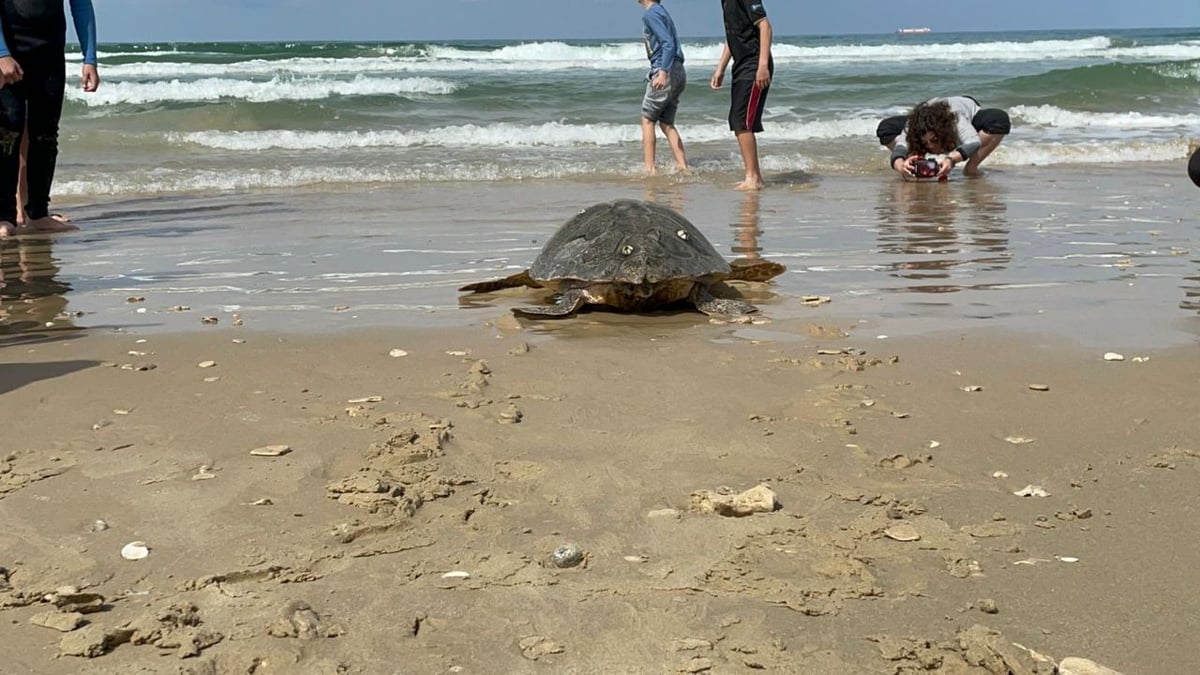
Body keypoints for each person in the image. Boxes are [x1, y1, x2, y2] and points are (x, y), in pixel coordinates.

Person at [0, 0, 99, 238]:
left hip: (49, 51)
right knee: (7, 132)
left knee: (45, 133)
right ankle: (4, 216)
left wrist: (90, 58)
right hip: (10, 48)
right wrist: (1, 53)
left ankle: (37, 214)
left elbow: (81, 5)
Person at [711, 0, 773, 191]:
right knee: (738, 120)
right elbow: (733, 37)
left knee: (742, 121)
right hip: (741, 65)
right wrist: (720, 68)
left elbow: (765, 25)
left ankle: (753, 177)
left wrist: (762, 65)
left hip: (754, 63)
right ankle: (752, 175)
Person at [877, 96, 1010, 180]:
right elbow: (900, 147)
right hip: (926, 114)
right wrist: (900, 165)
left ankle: (971, 167)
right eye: (925, 142)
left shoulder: (955, 118)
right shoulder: (913, 125)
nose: (930, 146)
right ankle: (917, 164)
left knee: (999, 119)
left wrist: (951, 160)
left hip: (964, 109)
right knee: (886, 128)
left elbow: (973, 142)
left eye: (934, 140)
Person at [638, 0, 688, 175]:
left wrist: (663, 72)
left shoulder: (650, 14)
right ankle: (683, 166)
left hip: (665, 69)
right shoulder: (662, 12)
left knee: (647, 120)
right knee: (667, 123)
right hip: (679, 70)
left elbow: (668, 43)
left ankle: (650, 168)